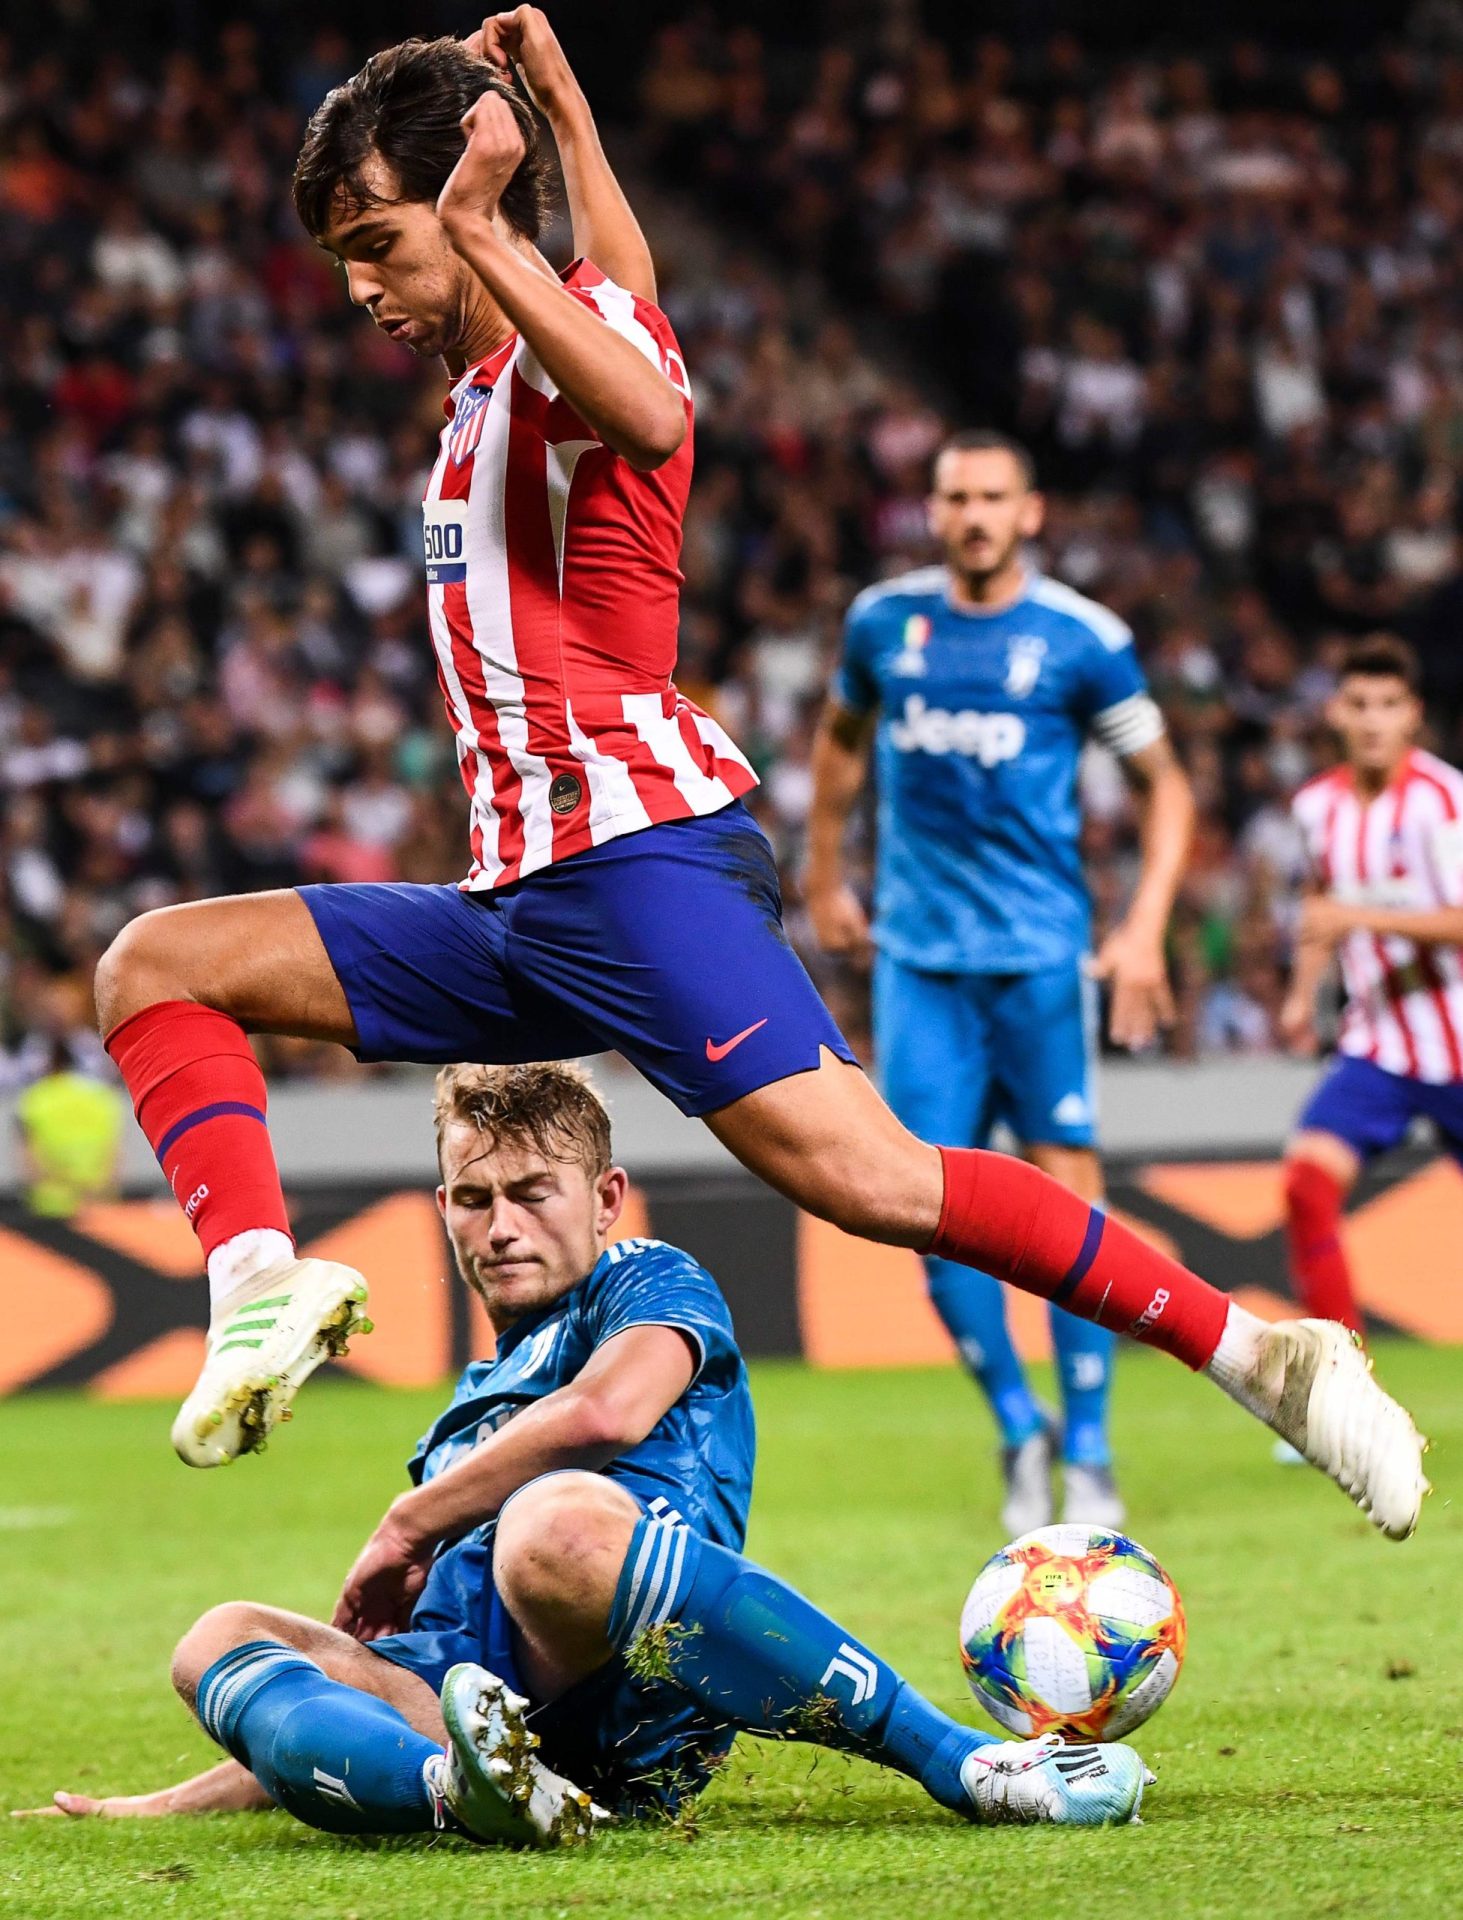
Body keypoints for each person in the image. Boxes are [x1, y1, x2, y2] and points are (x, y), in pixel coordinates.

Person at [88, 12, 1425, 1549]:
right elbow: (623, 289)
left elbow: (652, 406)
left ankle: (1255, 1353)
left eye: (379, 242)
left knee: (873, 1180)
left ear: (468, 202)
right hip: (519, 899)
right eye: (346, 256)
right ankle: (261, 1285)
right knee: (155, 966)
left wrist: (480, 217)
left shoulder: (569, 359)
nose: (361, 290)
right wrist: (574, 130)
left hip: (639, 867)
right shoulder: (499, 379)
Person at [14, 1062, 1153, 1837]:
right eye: (471, 1198)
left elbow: (611, 1412)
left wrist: (414, 1521)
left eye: (529, 1192)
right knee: (222, 1636)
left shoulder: (647, 1283)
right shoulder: (465, 1410)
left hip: (639, 1696)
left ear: (605, 1196)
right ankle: (467, 1794)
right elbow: (397, 1678)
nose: (499, 1223)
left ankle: (964, 1762)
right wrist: (171, 1805)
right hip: (503, 1719)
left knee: (546, 1521)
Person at [807, 431, 1196, 1534]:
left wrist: (1144, 929)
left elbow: (1163, 787)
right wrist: (825, 868)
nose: (971, 514)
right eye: (952, 497)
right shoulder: (884, 623)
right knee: (920, 1206)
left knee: (1069, 1194)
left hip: (1036, 958)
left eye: (991, 497)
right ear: (931, 511)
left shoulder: (1082, 641)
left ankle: (1088, 1446)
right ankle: (1017, 1424)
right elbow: (840, 738)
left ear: (1029, 512)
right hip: (919, 962)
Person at [1280, 634, 1463, 1337]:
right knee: (1305, 1185)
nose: (1371, 721)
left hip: (1456, 1042)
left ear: (1412, 714)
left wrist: (1355, 914)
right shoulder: (1314, 807)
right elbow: (1316, 903)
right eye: (1358, 704)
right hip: (1380, 1047)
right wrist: (1301, 994)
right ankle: (1343, 1392)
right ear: (1334, 712)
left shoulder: (1444, 803)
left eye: (1387, 705)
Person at [13, 1039, 126, 1220]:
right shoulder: (103, 1098)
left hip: (51, 1203)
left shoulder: (34, 1099)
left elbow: (29, 1158)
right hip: (97, 1200)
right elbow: (114, 1152)